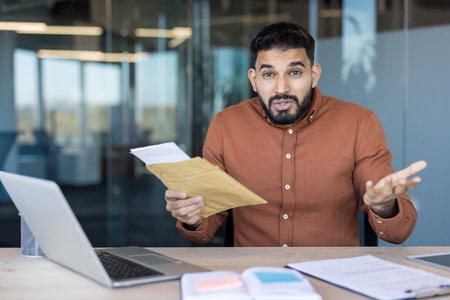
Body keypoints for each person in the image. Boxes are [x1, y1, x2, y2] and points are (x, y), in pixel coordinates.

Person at [165, 22, 427, 247]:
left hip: (334, 275)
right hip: (253, 276)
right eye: (269, 74)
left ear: (313, 75)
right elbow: (205, 225)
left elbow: (398, 232)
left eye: (294, 72)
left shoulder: (359, 123)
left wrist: (384, 206)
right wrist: (193, 216)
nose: (281, 88)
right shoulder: (226, 125)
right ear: (254, 80)